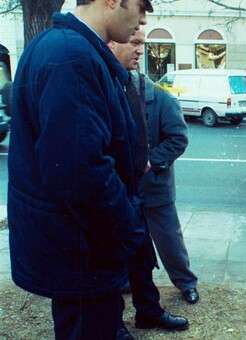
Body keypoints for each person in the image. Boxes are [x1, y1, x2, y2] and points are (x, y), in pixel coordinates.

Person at [8, 0, 153, 338]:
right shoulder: (73, 57)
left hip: (75, 249)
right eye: (140, 6)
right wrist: (128, 229)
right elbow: (80, 173)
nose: (141, 20)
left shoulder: (55, 46)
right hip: (83, 254)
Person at [109, 29, 189, 337]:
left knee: (153, 249)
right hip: (115, 188)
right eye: (134, 42)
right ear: (111, 41)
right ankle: (115, 321)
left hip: (146, 189)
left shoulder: (152, 93)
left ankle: (161, 302)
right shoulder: (105, 83)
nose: (139, 50)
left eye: (143, 43)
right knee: (119, 254)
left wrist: (150, 161)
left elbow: (177, 138)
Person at [142, 69, 200, 304]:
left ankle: (186, 283)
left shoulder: (163, 98)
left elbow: (178, 139)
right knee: (129, 241)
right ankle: (128, 281)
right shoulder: (115, 94)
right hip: (123, 188)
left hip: (155, 187)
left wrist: (151, 161)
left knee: (169, 241)